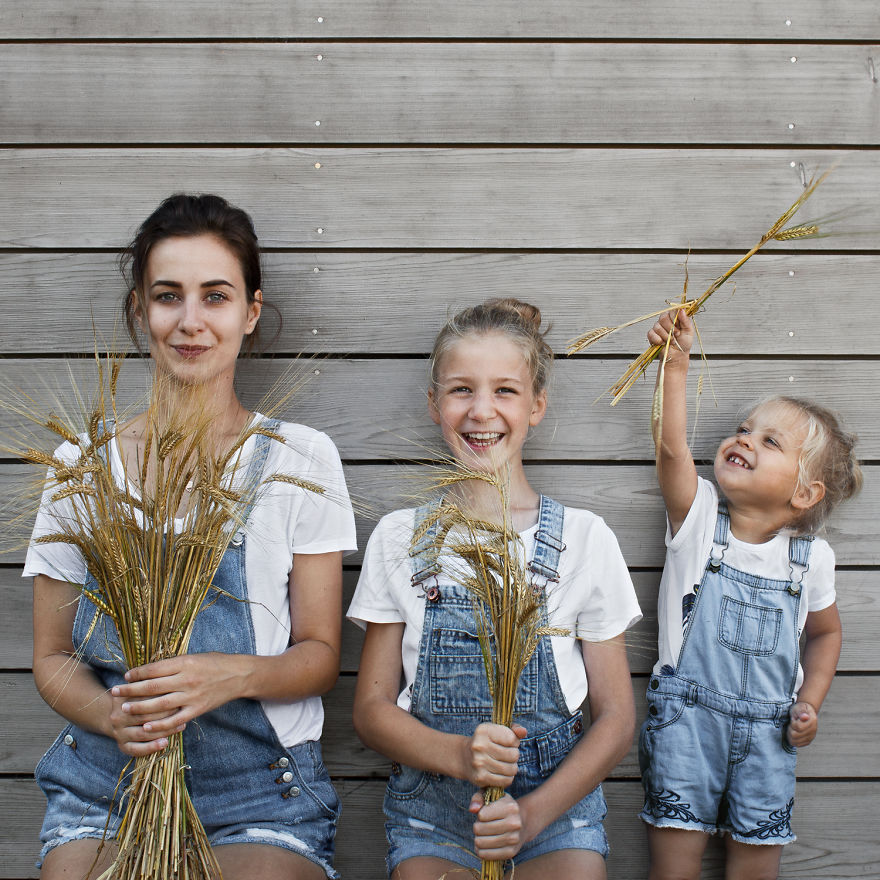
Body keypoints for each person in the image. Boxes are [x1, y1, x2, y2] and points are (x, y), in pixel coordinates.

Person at [25, 194, 356, 880]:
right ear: (140, 310)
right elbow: (53, 656)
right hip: (107, 781)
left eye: (216, 296)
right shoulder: (80, 465)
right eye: (168, 296)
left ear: (250, 312)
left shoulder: (300, 459)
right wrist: (115, 715)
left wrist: (230, 675)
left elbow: (321, 655)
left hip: (260, 793)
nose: (191, 321)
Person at [348, 298, 641, 879]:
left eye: (505, 391)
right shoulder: (399, 537)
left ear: (537, 406)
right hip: (434, 816)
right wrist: (461, 755)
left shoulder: (585, 539)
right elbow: (372, 710)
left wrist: (532, 815)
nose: (482, 411)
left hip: (556, 813)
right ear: (434, 404)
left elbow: (615, 720)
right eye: (461, 390)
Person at [640, 309, 862, 880]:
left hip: (770, 735)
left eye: (770, 441)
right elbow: (671, 453)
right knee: (674, 866)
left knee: (756, 868)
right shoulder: (699, 518)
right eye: (744, 428)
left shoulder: (811, 559)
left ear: (805, 492)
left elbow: (827, 632)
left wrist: (810, 699)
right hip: (687, 725)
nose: (744, 438)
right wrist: (677, 364)